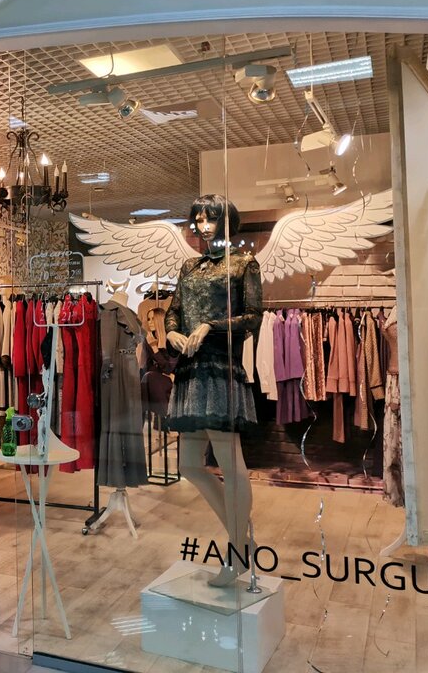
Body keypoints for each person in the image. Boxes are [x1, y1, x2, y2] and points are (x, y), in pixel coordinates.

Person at [165, 194, 262, 586]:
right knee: (189, 465)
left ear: (226, 222)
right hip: (190, 371)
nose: (203, 226)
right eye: (199, 219)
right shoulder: (189, 267)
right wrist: (172, 331)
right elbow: (173, 310)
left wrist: (211, 326)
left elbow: (253, 317)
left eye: (210, 219)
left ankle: (237, 552)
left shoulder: (243, 264)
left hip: (221, 370)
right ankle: (244, 541)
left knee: (230, 464)